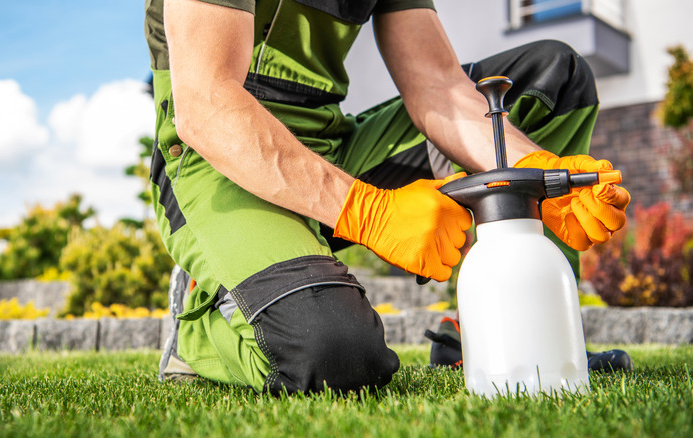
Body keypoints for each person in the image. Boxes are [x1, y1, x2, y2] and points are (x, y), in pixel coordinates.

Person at [145, 0, 632, 394]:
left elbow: (438, 85)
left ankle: (513, 335)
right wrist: (368, 212)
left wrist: (535, 171)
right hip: (215, 153)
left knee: (554, 79)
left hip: (329, 139)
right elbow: (206, 103)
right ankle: (198, 327)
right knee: (335, 354)